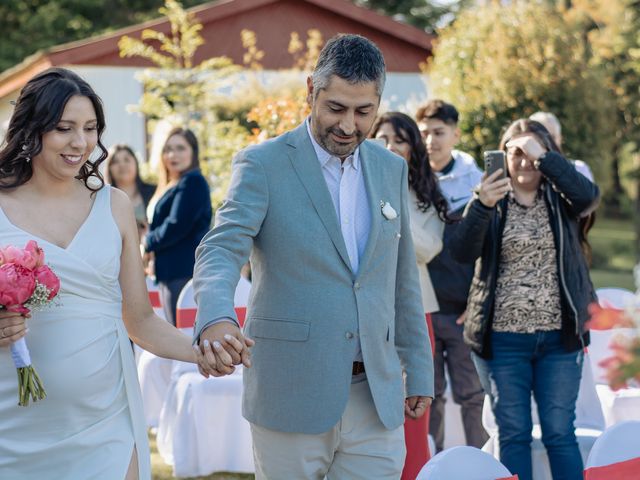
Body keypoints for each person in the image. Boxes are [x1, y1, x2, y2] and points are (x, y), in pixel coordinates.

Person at [193, 34, 434, 478]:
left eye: (364, 112)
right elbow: (221, 246)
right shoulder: (262, 164)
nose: (348, 125)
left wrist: (418, 369)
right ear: (311, 91)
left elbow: (400, 279)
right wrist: (215, 317)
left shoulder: (390, 168)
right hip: (290, 392)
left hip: (376, 398)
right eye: (336, 108)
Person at [0, 68, 217, 479]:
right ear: (33, 129)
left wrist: (203, 352)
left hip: (104, 418)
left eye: (90, 128)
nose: (80, 143)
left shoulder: (114, 205)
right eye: (64, 128)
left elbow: (141, 322)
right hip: (12, 424)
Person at [450, 119, 599, 480]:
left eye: (532, 152)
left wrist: (545, 157)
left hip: (559, 339)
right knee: (513, 435)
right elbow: (461, 250)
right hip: (503, 342)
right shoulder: (490, 200)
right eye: (515, 153)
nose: (524, 161)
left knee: (560, 433)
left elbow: (588, 197)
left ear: (547, 155)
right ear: (503, 157)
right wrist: (482, 204)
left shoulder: (562, 198)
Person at [372, 111, 448, 478]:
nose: (388, 147)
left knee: (412, 413)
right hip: (364, 313)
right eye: (381, 138)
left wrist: (389, 210)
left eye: (398, 140)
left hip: (413, 314)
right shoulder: (354, 186)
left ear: (412, 148)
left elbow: (428, 247)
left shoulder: (423, 196)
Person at [414, 99, 488, 452]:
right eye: (425, 133)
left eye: (439, 132)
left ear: (455, 134)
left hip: (462, 309)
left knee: (472, 396)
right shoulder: (410, 179)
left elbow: (488, 248)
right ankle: (435, 465)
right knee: (429, 397)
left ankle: (484, 467)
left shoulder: (476, 182)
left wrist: (476, 301)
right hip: (423, 309)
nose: (431, 141)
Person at [142, 127, 212, 326]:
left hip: (184, 273)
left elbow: (176, 225)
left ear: (193, 152)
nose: (173, 155)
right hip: (168, 273)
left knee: (184, 340)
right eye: (168, 149)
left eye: (181, 148)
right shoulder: (172, 184)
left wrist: (147, 242)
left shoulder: (193, 182)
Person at [529, 111, 596, 263]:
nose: (546, 142)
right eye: (540, 137)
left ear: (560, 139)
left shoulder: (577, 169)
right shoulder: (520, 174)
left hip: (568, 257)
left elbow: (588, 207)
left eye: (551, 136)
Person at [104, 144, 156, 238]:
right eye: (115, 162)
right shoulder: (102, 199)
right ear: (109, 169)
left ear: (136, 163)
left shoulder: (154, 191)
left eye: (127, 160)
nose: (122, 165)